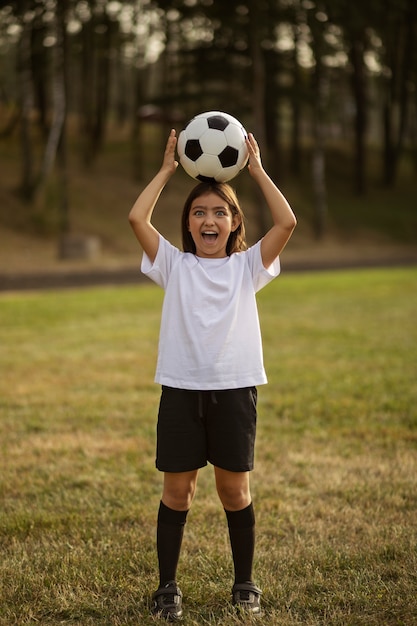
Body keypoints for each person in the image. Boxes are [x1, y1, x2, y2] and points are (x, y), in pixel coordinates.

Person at [128, 128, 296, 621]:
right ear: (188, 223)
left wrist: (257, 170)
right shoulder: (173, 266)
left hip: (234, 393)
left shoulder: (248, 267)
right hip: (181, 393)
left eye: (219, 212)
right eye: (199, 212)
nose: (208, 219)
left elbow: (287, 221)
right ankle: (167, 588)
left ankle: (244, 583)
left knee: (234, 492)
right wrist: (166, 170)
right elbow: (137, 217)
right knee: (177, 493)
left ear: (234, 221)